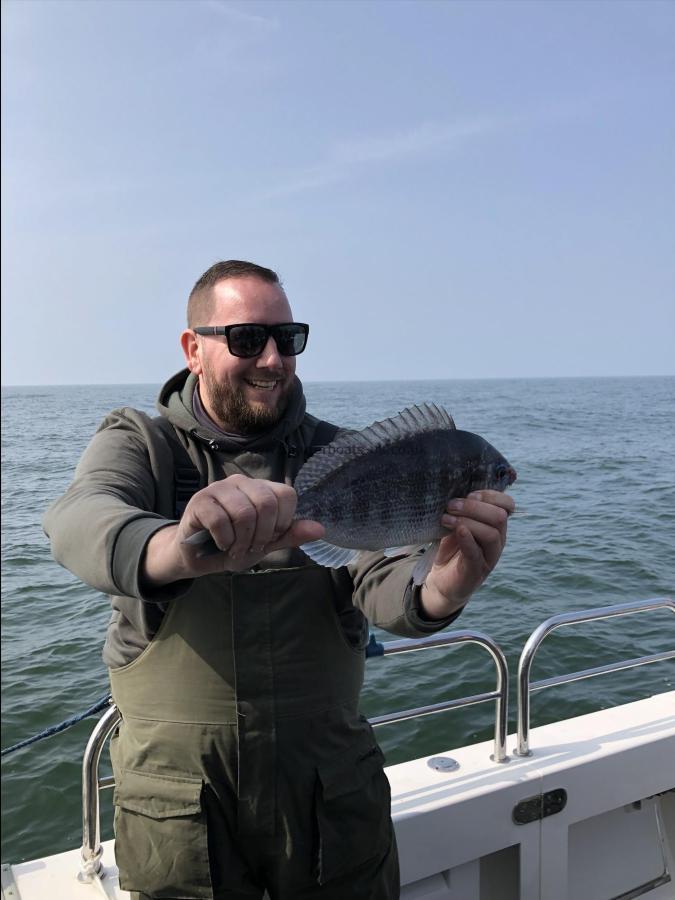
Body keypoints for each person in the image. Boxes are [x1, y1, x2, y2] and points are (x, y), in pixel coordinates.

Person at [43, 260, 514, 900]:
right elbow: (80, 519)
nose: (272, 359)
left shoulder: (352, 457)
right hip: (181, 811)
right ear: (194, 349)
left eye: (287, 339)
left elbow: (378, 580)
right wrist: (177, 548)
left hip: (329, 800)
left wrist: (448, 584)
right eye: (245, 339)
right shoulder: (141, 444)